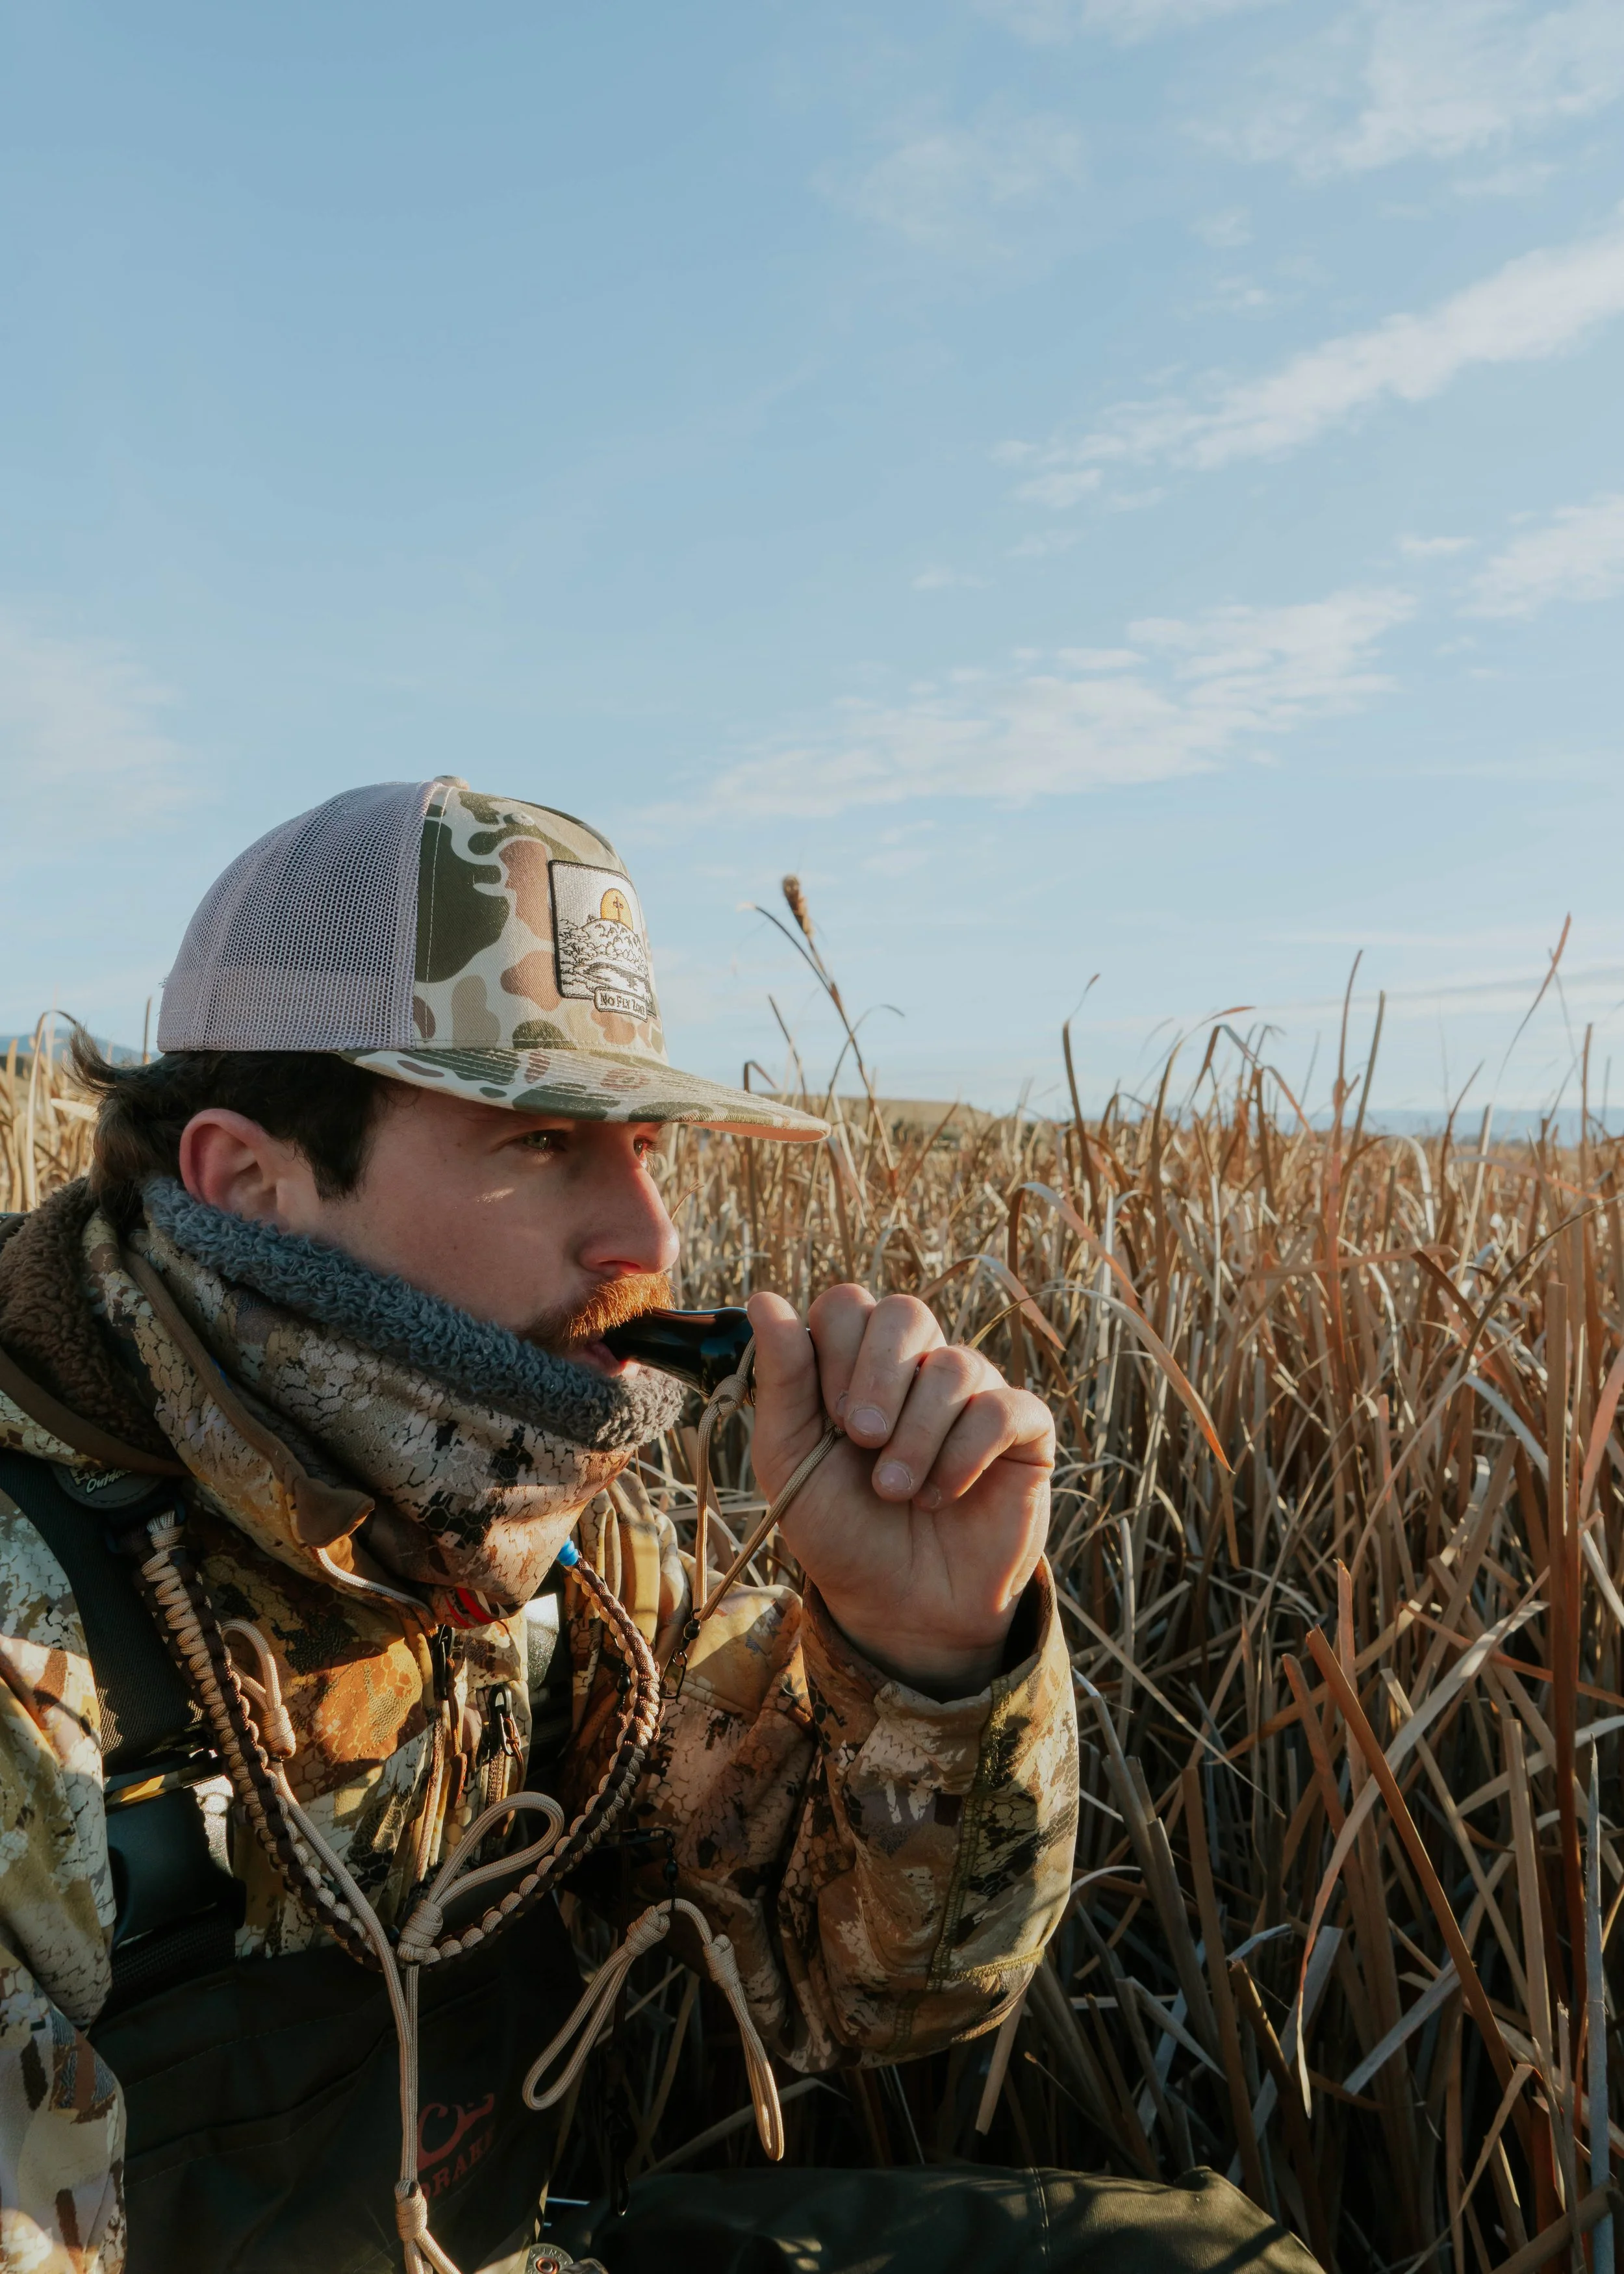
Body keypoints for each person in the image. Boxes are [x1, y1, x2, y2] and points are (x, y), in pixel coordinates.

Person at [0, 778, 1311, 2274]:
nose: (650, 1240)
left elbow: (854, 1986)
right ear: (251, 1180)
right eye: (541, 1141)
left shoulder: (531, 1535)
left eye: (642, 1145)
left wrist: (926, 1648)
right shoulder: (33, 1620)